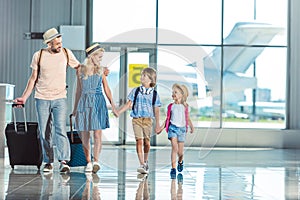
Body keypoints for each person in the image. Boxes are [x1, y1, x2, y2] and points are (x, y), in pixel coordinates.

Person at [14, 27, 81, 173]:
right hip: (42, 98)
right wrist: (24, 97)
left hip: (60, 98)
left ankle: (64, 161)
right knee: (45, 132)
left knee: (60, 129)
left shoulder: (66, 53)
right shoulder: (39, 55)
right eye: (57, 43)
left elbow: (79, 68)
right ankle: (48, 161)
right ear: (49, 43)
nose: (60, 45)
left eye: (61, 42)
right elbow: (33, 78)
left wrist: (96, 71)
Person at [72, 43, 117, 173]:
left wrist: (113, 105)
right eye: (99, 57)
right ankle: (89, 162)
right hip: (84, 101)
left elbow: (107, 89)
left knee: (97, 133)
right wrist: (75, 108)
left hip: (98, 102)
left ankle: (96, 160)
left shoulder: (101, 70)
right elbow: (78, 90)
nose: (100, 60)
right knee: (85, 134)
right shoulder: (80, 70)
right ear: (92, 56)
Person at [116, 67, 162, 174]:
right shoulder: (136, 91)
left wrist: (158, 125)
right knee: (139, 141)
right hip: (136, 119)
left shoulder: (155, 95)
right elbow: (128, 104)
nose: (141, 77)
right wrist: (119, 111)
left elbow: (157, 110)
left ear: (151, 80)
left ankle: (145, 162)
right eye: (141, 75)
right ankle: (141, 164)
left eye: (144, 76)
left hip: (148, 121)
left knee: (147, 143)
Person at [158, 84, 194, 179]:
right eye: (172, 92)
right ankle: (173, 168)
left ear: (182, 94)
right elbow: (167, 119)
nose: (173, 94)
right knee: (174, 148)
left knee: (180, 153)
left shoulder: (185, 107)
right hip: (172, 128)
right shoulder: (171, 106)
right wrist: (161, 128)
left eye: (175, 92)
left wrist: (191, 127)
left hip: (182, 130)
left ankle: (180, 161)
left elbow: (188, 118)